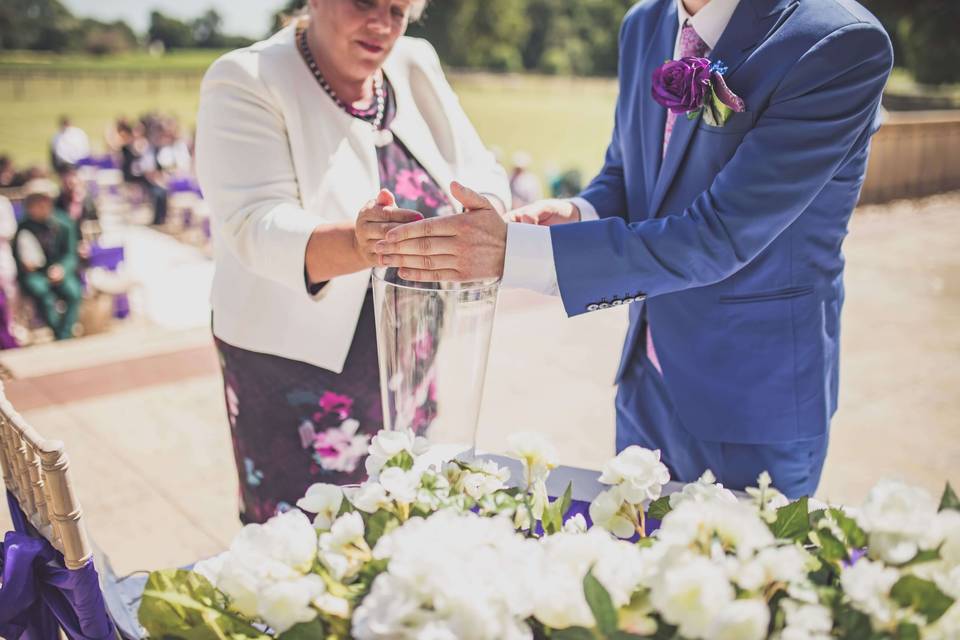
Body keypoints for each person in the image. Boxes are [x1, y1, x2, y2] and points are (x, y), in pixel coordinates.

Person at [373, 0, 894, 499]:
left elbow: (719, 235)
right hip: (645, 383)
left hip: (752, 400)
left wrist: (517, 253)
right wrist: (577, 214)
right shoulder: (644, 23)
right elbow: (628, 175)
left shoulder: (837, 42)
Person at [195, 0, 509, 523]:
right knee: (308, 545)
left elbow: (482, 168)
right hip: (295, 369)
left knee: (402, 513)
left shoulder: (416, 62)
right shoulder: (246, 77)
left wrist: (488, 214)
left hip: (406, 355)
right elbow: (254, 225)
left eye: (398, 9)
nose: (381, 25)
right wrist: (360, 243)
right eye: (364, 2)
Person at [12, 179, 83, 341]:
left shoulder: (64, 223)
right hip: (35, 275)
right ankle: (61, 334)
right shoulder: (23, 227)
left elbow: (70, 254)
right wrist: (26, 266)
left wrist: (62, 269)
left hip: (59, 270)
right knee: (44, 294)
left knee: (73, 292)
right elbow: (18, 256)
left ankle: (64, 333)